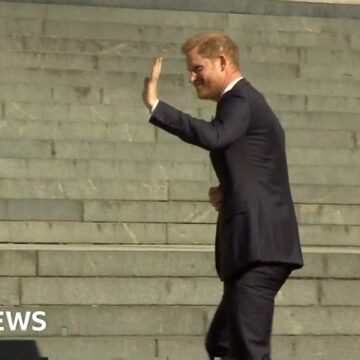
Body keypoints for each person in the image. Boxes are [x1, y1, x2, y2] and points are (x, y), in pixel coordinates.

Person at [142, 32, 303, 360]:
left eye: (197, 68)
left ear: (222, 62)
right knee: (223, 343)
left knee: (247, 349)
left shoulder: (239, 99)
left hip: (259, 248)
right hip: (252, 248)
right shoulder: (241, 104)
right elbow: (258, 163)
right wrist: (229, 190)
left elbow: (216, 136)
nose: (191, 78)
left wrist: (156, 105)